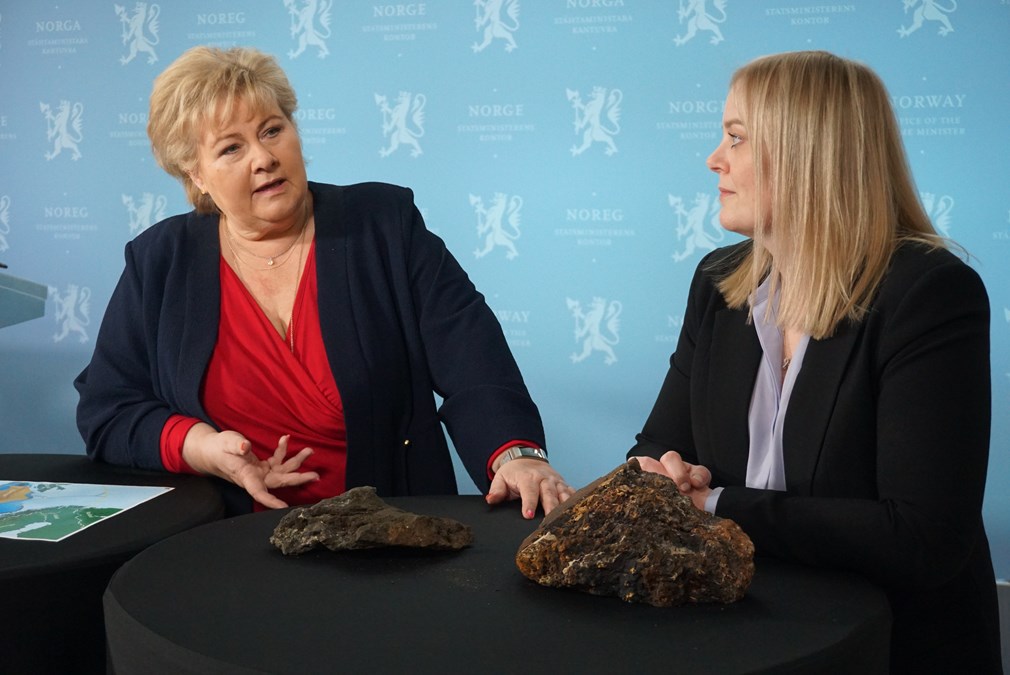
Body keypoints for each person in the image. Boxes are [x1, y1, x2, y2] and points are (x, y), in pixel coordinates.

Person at [76, 45, 574, 518]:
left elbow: (473, 360)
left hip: (389, 533)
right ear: (196, 175)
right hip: (226, 537)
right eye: (231, 148)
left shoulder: (384, 225)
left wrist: (516, 455)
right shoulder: (160, 260)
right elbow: (109, 409)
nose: (263, 158)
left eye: (273, 130)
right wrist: (202, 447)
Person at [628, 51, 1002, 674]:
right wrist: (662, 475)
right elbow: (656, 446)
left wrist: (714, 504)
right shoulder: (718, 282)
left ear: (807, 152)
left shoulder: (929, 293)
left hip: (885, 647)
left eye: (736, 138)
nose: (714, 159)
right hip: (737, 632)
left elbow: (921, 538)